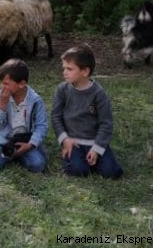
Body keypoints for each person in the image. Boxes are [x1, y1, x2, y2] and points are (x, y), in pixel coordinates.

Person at [51, 45, 123, 179]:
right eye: (64, 68)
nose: (64, 72)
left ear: (85, 71)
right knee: (79, 171)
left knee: (112, 173)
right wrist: (64, 139)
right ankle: (75, 158)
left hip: (94, 141)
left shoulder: (99, 93)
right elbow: (56, 117)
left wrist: (97, 148)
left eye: (69, 69)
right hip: (73, 142)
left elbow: (106, 124)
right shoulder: (62, 90)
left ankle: (96, 156)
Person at [0, 59, 48, 173]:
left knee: (37, 165)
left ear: (21, 84)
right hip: (4, 139)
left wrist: (31, 145)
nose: (2, 86)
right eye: (2, 82)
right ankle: (5, 153)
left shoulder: (36, 101)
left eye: (6, 83)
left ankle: (17, 154)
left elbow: (41, 126)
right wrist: (2, 105)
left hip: (25, 140)